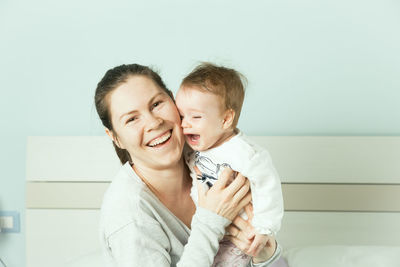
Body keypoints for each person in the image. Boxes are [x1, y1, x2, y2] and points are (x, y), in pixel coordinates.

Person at [95, 63, 281, 266]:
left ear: (174, 100)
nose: (153, 122)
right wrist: (211, 221)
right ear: (115, 138)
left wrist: (263, 254)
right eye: (132, 119)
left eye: (157, 104)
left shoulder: (208, 153)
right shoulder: (128, 217)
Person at [175, 63, 284, 266]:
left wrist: (265, 228)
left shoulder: (244, 153)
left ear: (226, 119)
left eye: (195, 117)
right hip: (210, 233)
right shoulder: (195, 148)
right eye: (181, 116)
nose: (184, 124)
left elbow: (268, 186)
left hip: (241, 237)